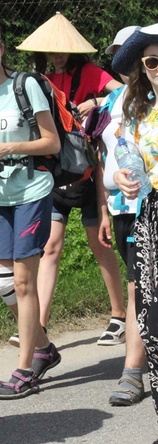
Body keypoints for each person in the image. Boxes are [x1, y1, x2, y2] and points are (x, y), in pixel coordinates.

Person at [0, 22, 61, 400]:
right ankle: (45, 348)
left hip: (32, 191)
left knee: (22, 282)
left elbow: (50, 141)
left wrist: (12, 147)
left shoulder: (26, 85)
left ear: (2, 50)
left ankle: (25, 369)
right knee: (3, 285)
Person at [17, 12, 126, 346]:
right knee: (49, 246)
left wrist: (96, 101)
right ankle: (39, 325)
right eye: (52, 50)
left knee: (99, 244)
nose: (57, 55)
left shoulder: (92, 73)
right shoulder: (38, 79)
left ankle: (119, 315)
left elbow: (124, 91)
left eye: (63, 50)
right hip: (55, 173)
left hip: (92, 173)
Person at [96, 25, 148, 406]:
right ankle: (132, 371)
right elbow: (108, 163)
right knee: (137, 288)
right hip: (131, 211)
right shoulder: (117, 105)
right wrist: (106, 198)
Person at [111, 23, 158, 417]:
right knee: (149, 308)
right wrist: (122, 178)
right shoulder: (138, 113)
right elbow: (123, 166)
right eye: (154, 62)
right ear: (144, 68)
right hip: (151, 217)